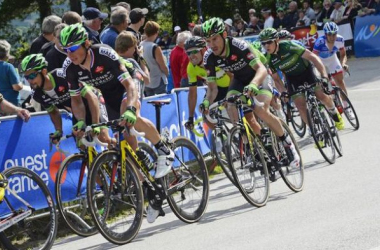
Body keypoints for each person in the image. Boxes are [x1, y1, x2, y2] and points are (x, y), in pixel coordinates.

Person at [59, 25, 175, 225]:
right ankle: (151, 190)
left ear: (86, 44)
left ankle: (163, 148)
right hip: (108, 93)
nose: (69, 54)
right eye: (65, 50)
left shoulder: (104, 54)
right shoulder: (70, 68)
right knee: (128, 146)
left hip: (129, 80)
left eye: (73, 48)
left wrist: (131, 108)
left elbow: (130, 86)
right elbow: (76, 101)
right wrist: (79, 121)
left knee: (129, 117)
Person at [200, 18, 300, 168]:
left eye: (214, 39)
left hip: (259, 75)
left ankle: (287, 143)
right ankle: (251, 147)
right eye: (208, 41)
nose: (211, 44)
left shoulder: (239, 46)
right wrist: (207, 102)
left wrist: (254, 85)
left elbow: (261, 69)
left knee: (260, 109)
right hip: (239, 79)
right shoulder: (209, 57)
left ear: (224, 35)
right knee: (231, 106)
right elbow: (212, 88)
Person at [259, 28, 344, 136]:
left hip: (307, 71)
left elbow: (313, 57)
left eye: (269, 42)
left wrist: (323, 76)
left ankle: (334, 112)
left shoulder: (288, 46)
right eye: (264, 43)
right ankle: (315, 131)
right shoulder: (268, 58)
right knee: (300, 105)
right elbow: (276, 79)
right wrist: (284, 91)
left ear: (276, 40)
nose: (266, 46)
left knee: (321, 95)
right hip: (292, 78)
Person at [20, 53, 110, 144]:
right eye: (26, 77)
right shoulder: (37, 94)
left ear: (43, 71)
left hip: (93, 101)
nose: (29, 81)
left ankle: (117, 151)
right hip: (78, 110)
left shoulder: (62, 76)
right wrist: (59, 131)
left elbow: (92, 97)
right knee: (81, 144)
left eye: (32, 76)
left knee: (103, 137)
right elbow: (53, 112)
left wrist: (95, 124)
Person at [184, 36, 231, 131]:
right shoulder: (191, 68)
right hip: (216, 89)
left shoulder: (216, 58)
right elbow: (192, 94)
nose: (191, 56)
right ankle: (224, 138)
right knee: (206, 114)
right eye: (188, 53)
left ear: (204, 49)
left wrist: (230, 96)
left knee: (236, 111)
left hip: (232, 85)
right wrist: (190, 118)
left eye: (194, 51)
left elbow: (233, 76)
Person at [313, 22, 354, 119]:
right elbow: (313, 57)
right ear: (325, 34)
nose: (332, 36)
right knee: (322, 84)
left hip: (332, 60)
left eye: (334, 34)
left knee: (340, 82)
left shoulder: (340, 39)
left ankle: (347, 107)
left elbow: (343, 54)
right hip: (321, 61)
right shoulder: (319, 42)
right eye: (330, 34)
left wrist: (343, 63)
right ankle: (328, 104)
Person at [141, 21, 169, 96]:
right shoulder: (155, 47)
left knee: (150, 104)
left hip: (146, 81)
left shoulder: (140, 45)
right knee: (162, 103)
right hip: (158, 80)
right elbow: (162, 66)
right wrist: (167, 74)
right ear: (156, 33)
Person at [0, 40, 23, 106]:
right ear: (6, 53)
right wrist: (20, 83)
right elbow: (17, 87)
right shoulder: (8, 67)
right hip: (11, 104)